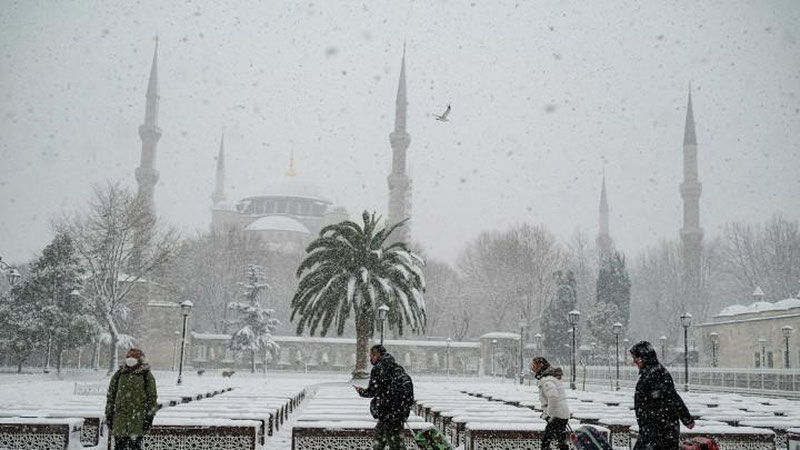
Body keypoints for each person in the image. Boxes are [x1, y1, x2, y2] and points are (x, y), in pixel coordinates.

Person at [630, 341, 694, 450]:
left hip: (658, 433)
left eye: (635, 358)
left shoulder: (655, 375)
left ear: (643, 358)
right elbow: (673, 397)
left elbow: (672, 397)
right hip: (657, 432)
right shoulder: (654, 373)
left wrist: (686, 419)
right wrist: (686, 419)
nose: (634, 361)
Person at [353, 345, 414, 450]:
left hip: (386, 413)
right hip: (398, 413)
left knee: (389, 444)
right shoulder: (397, 367)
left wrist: (361, 391)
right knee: (389, 441)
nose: (370, 358)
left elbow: (372, 391)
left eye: (371, 355)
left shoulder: (378, 369)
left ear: (377, 355)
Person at [105, 348, 158, 450]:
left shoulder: (146, 375)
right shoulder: (119, 374)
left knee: (135, 447)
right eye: (129, 357)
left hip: (138, 420)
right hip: (120, 420)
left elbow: (152, 397)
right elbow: (111, 396)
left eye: (134, 357)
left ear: (139, 359)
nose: (130, 360)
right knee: (119, 447)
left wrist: (149, 417)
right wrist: (109, 414)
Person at [532, 357, 570, 450]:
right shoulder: (551, 378)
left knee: (546, 441)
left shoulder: (547, 380)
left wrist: (550, 415)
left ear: (540, 366)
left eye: (534, 366)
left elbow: (553, 397)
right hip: (561, 414)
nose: (533, 368)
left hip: (556, 416)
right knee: (560, 440)